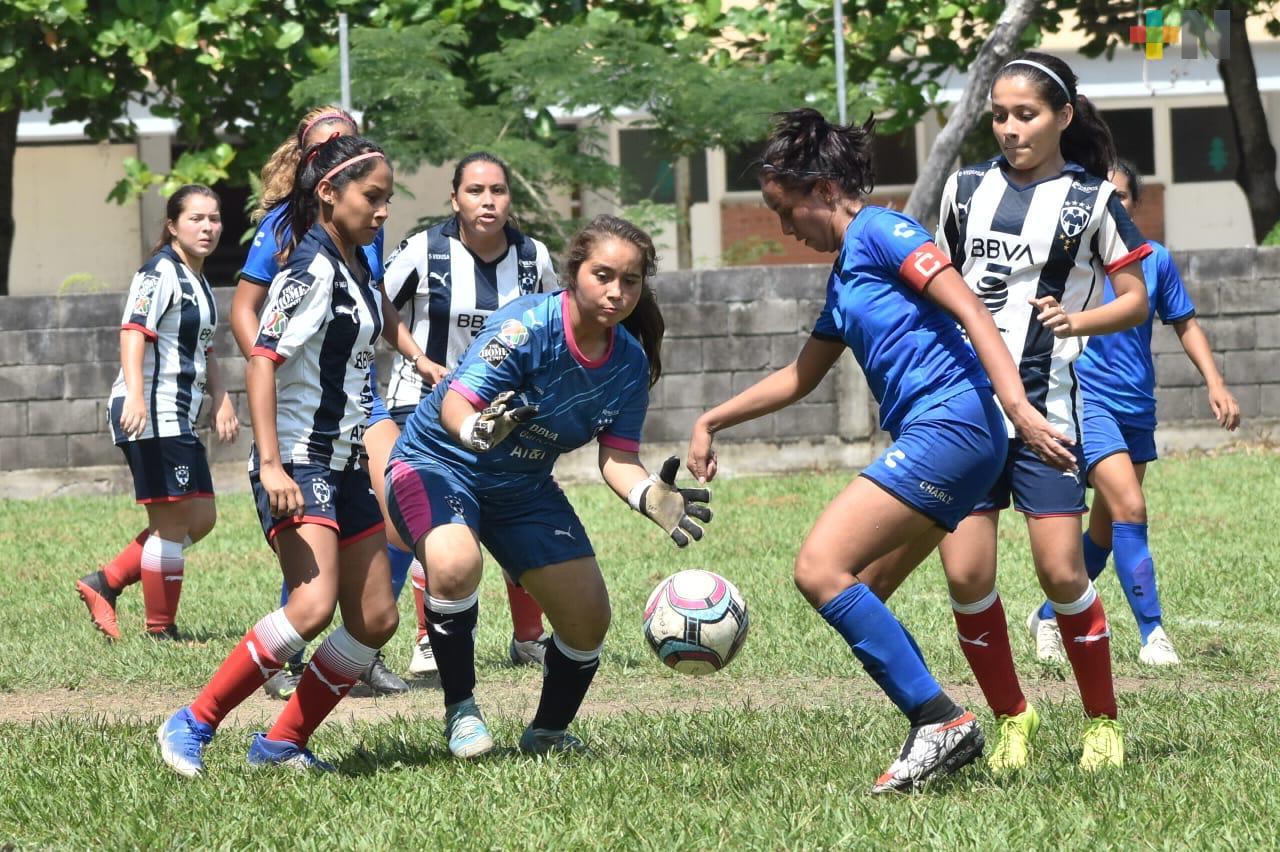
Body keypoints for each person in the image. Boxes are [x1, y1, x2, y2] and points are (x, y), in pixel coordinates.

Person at [686, 108, 1073, 793]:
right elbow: (801, 377)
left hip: (953, 426)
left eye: (785, 210)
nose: (784, 228)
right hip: (951, 436)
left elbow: (972, 310)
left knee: (817, 568)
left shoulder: (884, 231)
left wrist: (1019, 408)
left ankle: (941, 720)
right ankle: (932, 725)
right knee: (864, 589)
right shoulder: (845, 276)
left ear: (823, 189)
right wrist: (712, 420)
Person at [386, 214, 710, 758]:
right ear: (574, 272)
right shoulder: (526, 326)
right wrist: (476, 430)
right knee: (454, 563)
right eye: (603, 275)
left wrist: (650, 495)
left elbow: (619, 458)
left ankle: (548, 731)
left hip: (522, 487)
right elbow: (454, 403)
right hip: (439, 461)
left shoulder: (628, 363)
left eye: (630, 281)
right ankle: (461, 708)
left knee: (588, 618)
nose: (616, 291)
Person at [920, 52, 1151, 774]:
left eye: (1026, 115)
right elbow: (939, 286)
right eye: (999, 115)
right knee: (965, 576)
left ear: (1062, 118)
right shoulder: (962, 191)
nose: (1011, 128)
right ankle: (1012, 718)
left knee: (1059, 571)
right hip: (968, 416)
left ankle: (1102, 722)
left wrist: (1078, 323)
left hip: (1048, 414)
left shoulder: (1093, 201)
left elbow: (1135, 297)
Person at [158, 134, 399, 775]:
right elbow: (261, 361)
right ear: (328, 192)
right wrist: (270, 464)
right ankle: (193, 721)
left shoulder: (354, 265)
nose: (382, 211)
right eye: (372, 198)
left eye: (388, 200)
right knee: (312, 606)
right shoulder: (310, 268)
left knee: (375, 619)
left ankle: (281, 743)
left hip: (346, 459)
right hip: (299, 458)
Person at [231, 105, 425, 697]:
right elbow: (257, 336)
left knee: (383, 577)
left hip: (353, 416)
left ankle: (305, 711)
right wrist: (275, 440)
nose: (383, 205)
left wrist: (419, 358)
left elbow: (377, 308)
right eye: (334, 145)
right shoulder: (295, 244)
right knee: (313, 597)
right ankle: (213, 708)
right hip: (305, 429)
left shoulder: (362, 231)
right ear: (323, 179)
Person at [1028, 159, 1241, 666]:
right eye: (1104, 196)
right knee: (1130, 506)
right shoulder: (1071, 262)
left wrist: (1216, 384)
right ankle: (1154, 635)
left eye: (1120, 197)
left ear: (1133, 204)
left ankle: (1048, 616)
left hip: (1137, 408)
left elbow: (1185, 323)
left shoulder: (1155, 259)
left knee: (1105, 532)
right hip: (1089, 401)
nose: (1112, 205)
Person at [381, 151, 558, 677]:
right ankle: (429, 639)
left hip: (503, 413)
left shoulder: (533, 259)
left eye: (498, 190)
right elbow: (379, 306)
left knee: (512, 513)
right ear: (455, 198)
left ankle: (530, 639)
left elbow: (556, 324)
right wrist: (419, 358)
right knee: (437, 520)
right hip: (422, 404)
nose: (488, 200)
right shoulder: (423, 250)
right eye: (476, 191)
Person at [76, 184, 239, 640]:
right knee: (170, 523)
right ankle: (159, 629)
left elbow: (206, 348)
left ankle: (105, 581)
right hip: (151, 411)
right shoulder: (158, 273)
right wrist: (134, 393)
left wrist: (222, 397)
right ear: (172, 225)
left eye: (214, 218)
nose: (208, 227)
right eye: (196, 219)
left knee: (201, 518)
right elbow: (132, 332)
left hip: (179, 415)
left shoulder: (199, 279)